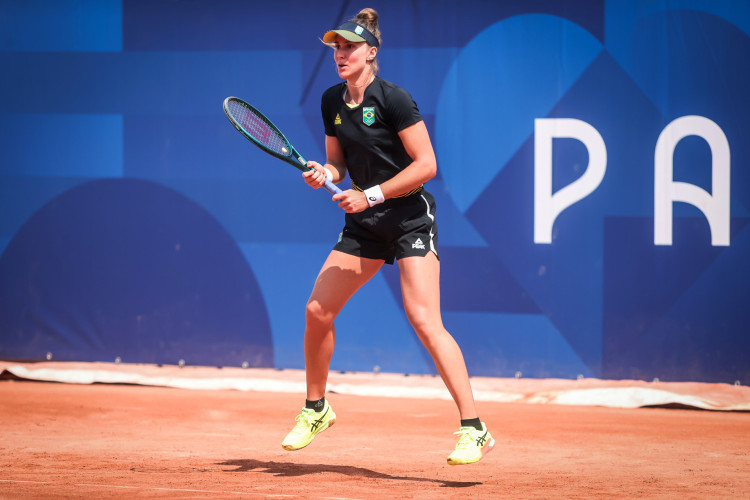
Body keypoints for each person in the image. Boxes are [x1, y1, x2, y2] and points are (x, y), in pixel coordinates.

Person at [280, 8, 494, 465]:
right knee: (317, 310)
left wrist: (371, 194)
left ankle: (474, 428)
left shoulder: (394, 98)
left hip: (409, 219)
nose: (340, 54)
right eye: (336, 47)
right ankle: (316, 408)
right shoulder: (331, 101)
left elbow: (426, 166)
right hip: (365, 225)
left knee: (424, 320)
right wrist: (325, 172)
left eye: (349, 47)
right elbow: (337, 161)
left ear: (370, 53)